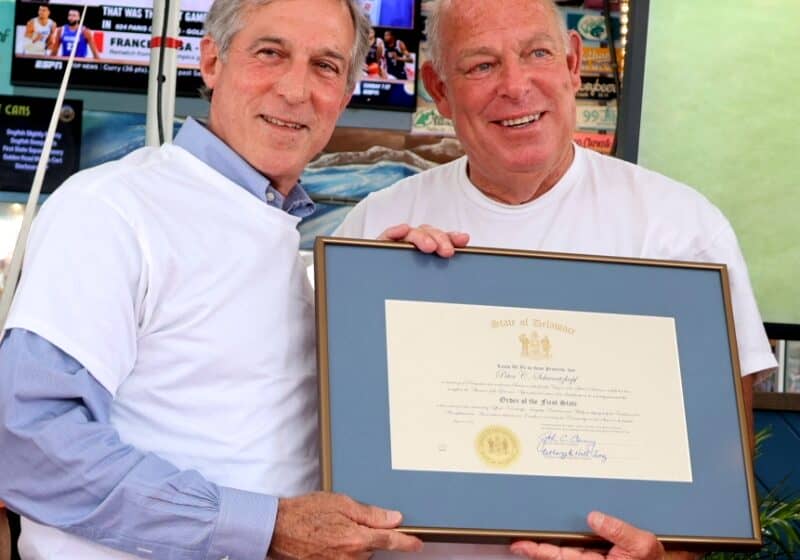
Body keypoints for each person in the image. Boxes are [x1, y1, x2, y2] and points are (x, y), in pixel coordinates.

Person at [336, 0, 777, 558]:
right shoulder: (375, 227)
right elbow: (339, 438)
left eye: (536, 53)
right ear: (439, 90)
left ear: (572, 63)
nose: (516, 86)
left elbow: (719, 462)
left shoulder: (681, 227)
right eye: (481, 65)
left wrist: (665, 554)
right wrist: (370, 301)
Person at [0, 0, 425, 559]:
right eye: (270, 53)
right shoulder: (112, 209)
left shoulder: (282, 233)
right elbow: (24, 438)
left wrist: (400, 298)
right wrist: (265, 527)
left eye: (325, 66)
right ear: (211, 63)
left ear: (345, 94)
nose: (296, 90)